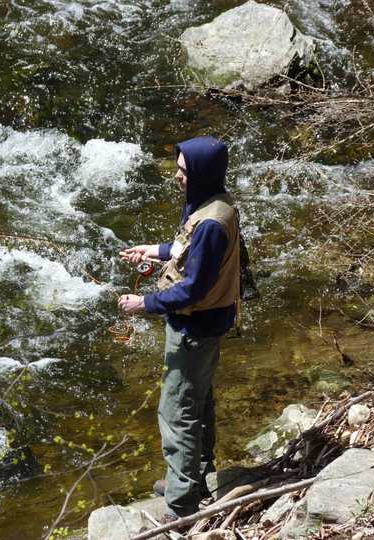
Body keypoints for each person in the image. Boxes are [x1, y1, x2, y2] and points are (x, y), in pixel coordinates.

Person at [117, 136, 240, 523]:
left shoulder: (210, 224)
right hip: (210, 322)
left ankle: (181, 503)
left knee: (177, 411)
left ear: (201, 173)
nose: (177, 177)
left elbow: (194, 287)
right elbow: (190, 251)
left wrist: (144, 304)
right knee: (199, 402)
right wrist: (155, 249)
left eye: (184, 171)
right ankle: (194, 479)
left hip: (194, 327)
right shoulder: (216, 205)